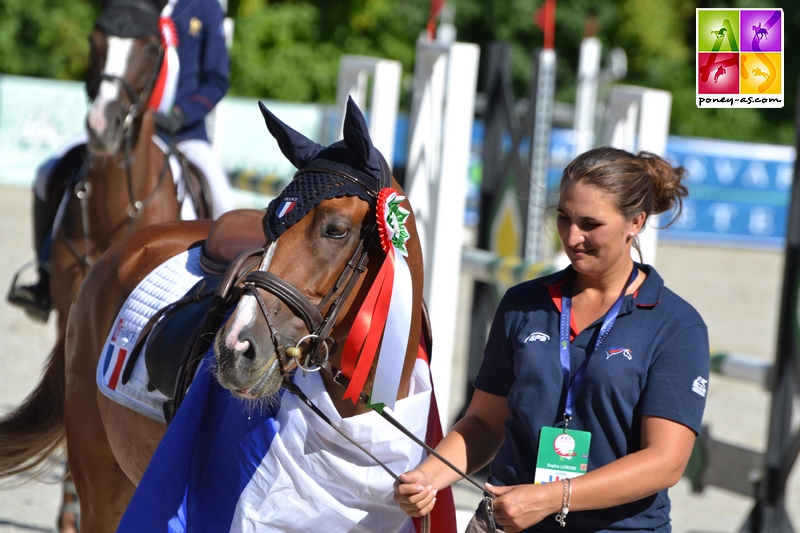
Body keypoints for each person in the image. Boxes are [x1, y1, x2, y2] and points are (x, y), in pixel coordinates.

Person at [394, 147, 710, 533]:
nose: (573, 237)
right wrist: (426, 477)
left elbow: (665, 461)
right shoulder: (523, 303)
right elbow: (484, 423)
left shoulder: (676, 325)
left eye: (590, 224)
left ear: (636, 222)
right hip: (505, 524)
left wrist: (549, 498)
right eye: (564, 218)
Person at [7, 0, 234, 322]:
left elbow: (216, 78)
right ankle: (45, 274)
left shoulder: (205, 7)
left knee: (221, 197)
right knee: (47, 173)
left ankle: (218, 299)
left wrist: (181, 115)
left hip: (181, 131)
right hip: (121, 119)